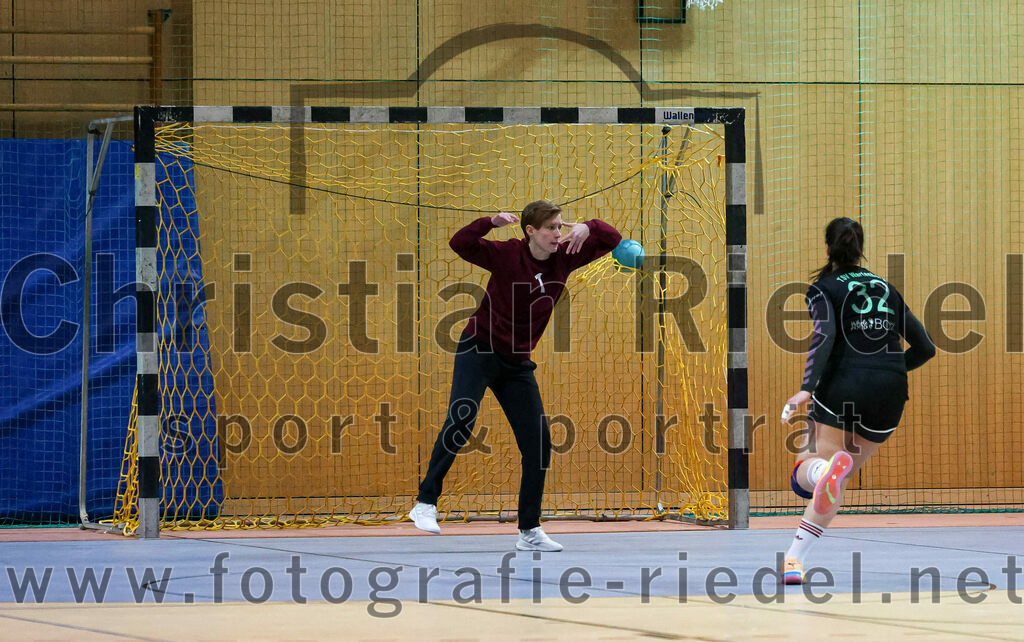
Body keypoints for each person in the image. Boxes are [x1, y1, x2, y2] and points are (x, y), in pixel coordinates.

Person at [409, 200, 622, 551]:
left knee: (538, 443)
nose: (558, 232)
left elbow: (612, 238)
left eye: (560, 226)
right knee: (462, 418)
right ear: (530, 232)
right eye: (551, 227)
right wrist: (488, 221)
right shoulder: (507, 254)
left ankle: (529, 530)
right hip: (479, 348)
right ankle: (425, 503)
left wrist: (590, 226)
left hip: (516, 361)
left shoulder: (567, 254)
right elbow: (460, 243)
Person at [779, 216, 935, 584]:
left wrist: (807, 386)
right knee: (841, 475)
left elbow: (825, 336)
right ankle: (793, 560)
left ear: (828, 247)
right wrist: (891, 370)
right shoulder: (886, 287)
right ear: (860, 248)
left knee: (807, 474)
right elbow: (926, 347)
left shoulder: (823, 288)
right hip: (890, 393)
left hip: (844, 386)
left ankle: (821, 472)